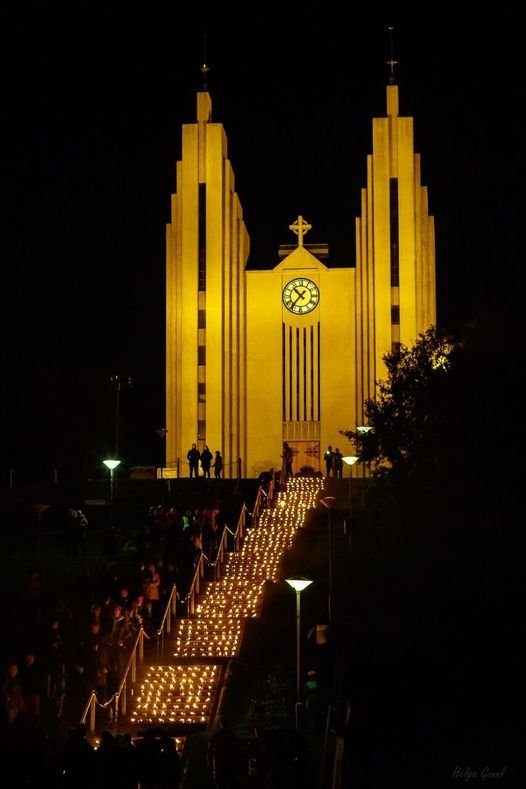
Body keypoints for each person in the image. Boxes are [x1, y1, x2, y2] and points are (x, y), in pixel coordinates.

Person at [207, 716, 242, 788]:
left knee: (220, 783)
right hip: (229, 763)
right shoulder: (232, 736)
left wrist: (209, 762)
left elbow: (210, 750)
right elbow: (237, 749)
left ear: (220, 724)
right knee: (230, 782)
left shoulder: (216, 735)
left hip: (219, 763)